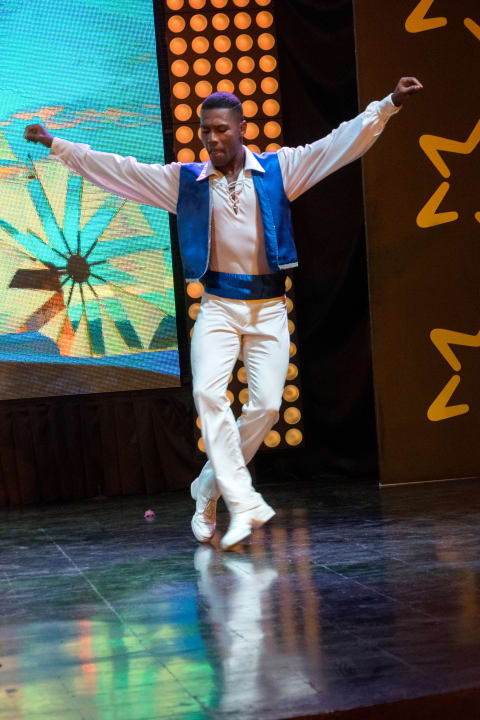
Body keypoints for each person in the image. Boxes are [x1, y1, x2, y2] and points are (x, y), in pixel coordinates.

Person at [24, 76, 423, 550]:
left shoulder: (279, 169)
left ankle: (208, 485)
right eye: (205, 131)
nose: (212, 139)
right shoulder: (185, 182)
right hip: (218, 307)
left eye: (221, 130)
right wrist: (58, 145)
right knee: (208, 395)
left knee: (267, 407)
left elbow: (336, 145)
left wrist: (388, 104)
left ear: (241, 129)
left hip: (268, 309)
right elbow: (120, 170)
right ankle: (218, 500)